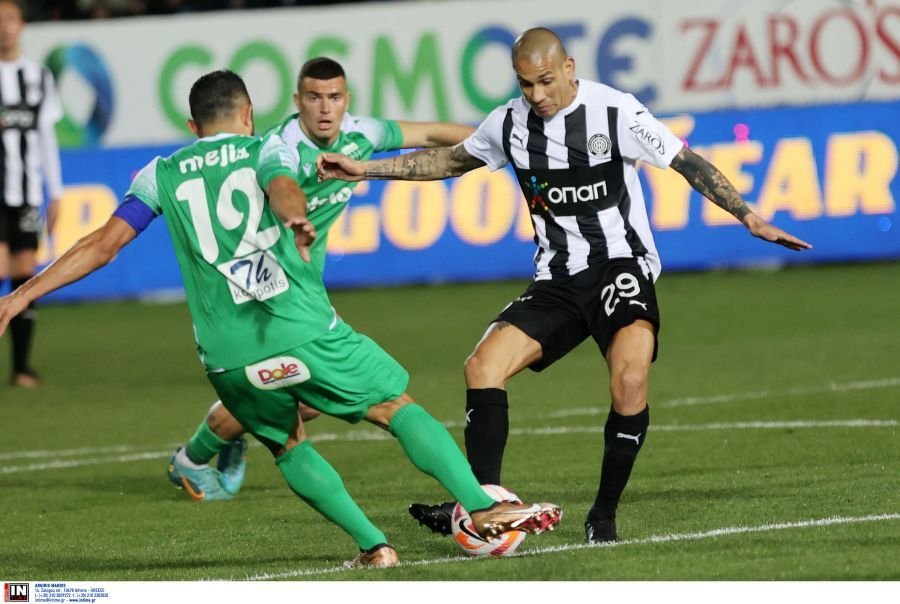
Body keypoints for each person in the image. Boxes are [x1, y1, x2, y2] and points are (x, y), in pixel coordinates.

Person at [0, 69, 561, 567]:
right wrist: (295, 219)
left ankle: (374, 547)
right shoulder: (267, 147)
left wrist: (20, 297)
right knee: (394, 406)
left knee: (288, 445)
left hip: (226, 357)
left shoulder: (159, 173)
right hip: (300, 326)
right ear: (248, 114)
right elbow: (282, 186)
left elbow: (102, 245)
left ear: (192, 126)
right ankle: (481, 506)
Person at [317, 27, 812, 544]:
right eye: (526, 84)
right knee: (482, 367)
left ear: (569, 67)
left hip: (620, 265)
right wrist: (363, 170)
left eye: (546, 80)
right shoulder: (509, 123)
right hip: (556, 277)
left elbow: (686, 162)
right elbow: (449, 160)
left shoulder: (616, 112)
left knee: (630, 380)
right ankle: (483, 504)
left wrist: (748, 216)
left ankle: (603, 514)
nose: (537, 94)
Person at [165, 57, 475, 502]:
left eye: (334, 98)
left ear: (347, 100)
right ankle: (195, 456)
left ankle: (205, 449)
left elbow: (430, 134)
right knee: (305, 387)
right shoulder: (278, 149)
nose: (325, 109)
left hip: (306, 287)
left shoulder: (361, 134)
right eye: (314, 98)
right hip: (269, 291)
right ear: (298, 101)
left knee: (303, 397)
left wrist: (500, 142)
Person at [0, 0, 64, 387]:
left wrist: (55, 192)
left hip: (25, 192)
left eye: (9, 20)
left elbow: (46, 138)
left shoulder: (39, 76)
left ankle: (21, 368)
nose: (4, 27)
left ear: (21, 25)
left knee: (24, 275)